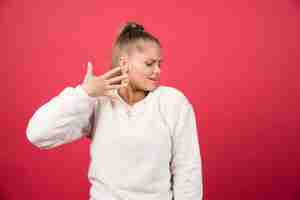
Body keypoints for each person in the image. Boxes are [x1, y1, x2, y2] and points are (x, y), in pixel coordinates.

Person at [26, 21, 203, 200]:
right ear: (124, 63)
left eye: (159, 64)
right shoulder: (97, 102)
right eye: (149, 64)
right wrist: (83, 93)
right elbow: (38, 134)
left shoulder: (173, 102)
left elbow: (187, 169)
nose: (157, 71)